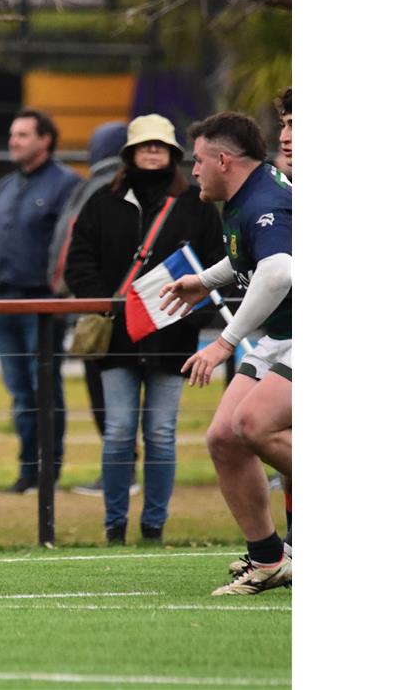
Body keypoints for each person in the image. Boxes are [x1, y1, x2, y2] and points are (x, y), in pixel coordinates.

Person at [63, 115, 223, 545]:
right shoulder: (102, 202)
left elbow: (215, 267)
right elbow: (78, 262)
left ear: (173, 154)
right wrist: (110, 306)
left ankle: (154, 526)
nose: (152, 154)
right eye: (144, 147)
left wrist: (190, 316)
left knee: (160, 434)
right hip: (117, 339)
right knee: (117, 433)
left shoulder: (197, 204)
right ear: (129, 153)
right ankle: (114, 526)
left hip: (173, 342)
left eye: (161, 148)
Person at [159, 111, 291, 596]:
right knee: (223, 438)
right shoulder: (248, 193)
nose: (192, 170)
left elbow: (278, 273)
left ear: (223, 160)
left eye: (197, 161)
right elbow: (250, 258)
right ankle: (268, 560)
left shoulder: (264, 201)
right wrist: (205, 280)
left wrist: (223, 343)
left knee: (254, 425)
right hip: (283, 333)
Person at [0, 108, 81, 493]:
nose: (14, 141)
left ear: (45, 139)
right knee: (20, 391)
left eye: (23, 134)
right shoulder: (5, 186)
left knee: (46, 389)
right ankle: (28, 470)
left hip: (43, 306)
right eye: (13, 134)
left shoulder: (67, 185)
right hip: (2, 304)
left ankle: (49, 474)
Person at [53, 120, 126, 497]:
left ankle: (119, 476)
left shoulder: (99, 187)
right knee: (112, 394)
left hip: (99, 307)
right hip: (105, 303)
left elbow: (74, 245)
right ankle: (119, 474)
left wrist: (65, 286)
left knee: (106, 393)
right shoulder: (106, 186)